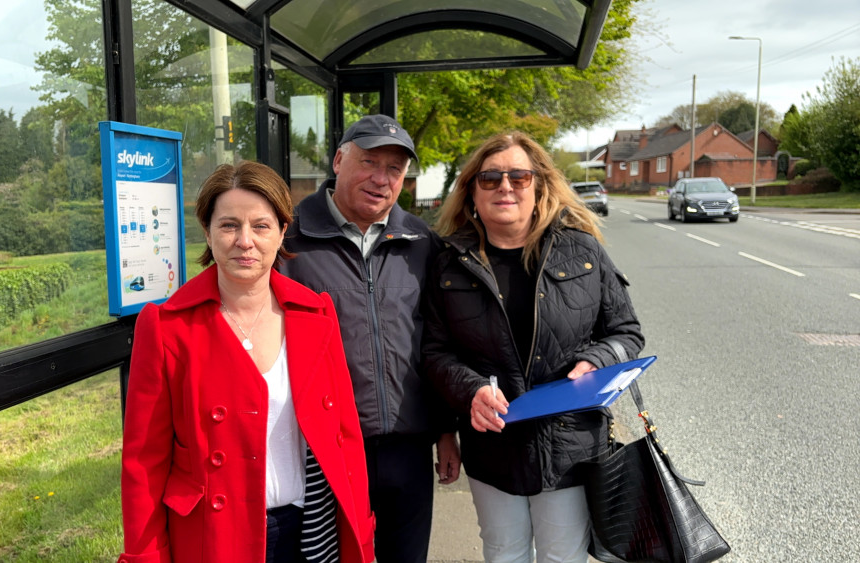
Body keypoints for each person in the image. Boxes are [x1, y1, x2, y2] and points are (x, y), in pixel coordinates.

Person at [119, 161, 375, 563]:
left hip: (311, 530)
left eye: (260, 225)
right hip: (215, 537)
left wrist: (360, 532)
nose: (245, 240)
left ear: (282, 231)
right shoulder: (167, 327)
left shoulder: (316, 314)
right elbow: (143, 464)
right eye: (228, 225)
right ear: (207, 231)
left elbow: (346, 439)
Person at [422, 131, 645, 563]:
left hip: (570, 446)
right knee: (504, 553)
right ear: (472, 191)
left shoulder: (582, 251)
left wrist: (595, 360)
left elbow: (627, 332)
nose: (505, 187)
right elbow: (434, 352)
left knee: (563, 555)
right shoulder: (448, 264)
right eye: (490, 178)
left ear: (539, 186)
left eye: (518, 177)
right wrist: (470, 391)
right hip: (493, 447)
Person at [280, 114, 460, 563]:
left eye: (395, 169)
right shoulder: (289, 239)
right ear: (339, 160)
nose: (381, 179)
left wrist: (445, 431)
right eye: (369, 162)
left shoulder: (421, 241)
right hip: (328, 452)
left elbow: (436, 342)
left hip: (409, 450)